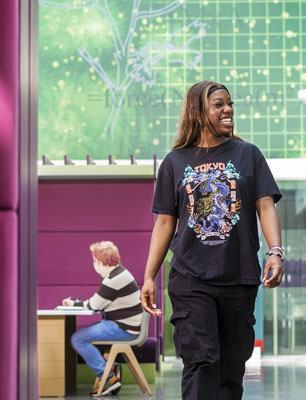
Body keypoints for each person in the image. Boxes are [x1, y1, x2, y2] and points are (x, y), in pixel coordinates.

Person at [140, 81, 284, 400]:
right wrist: (149, 276)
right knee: (201, 361)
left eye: (229, 104)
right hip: (191, 278)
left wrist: (276, 251)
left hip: (239, 276)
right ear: (198, 110)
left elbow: (265, 205)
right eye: (218, 104)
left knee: (232, 368)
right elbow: (165, 222)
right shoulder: (175, 162)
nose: (228, 109)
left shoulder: (248, 154)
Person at [62, 241, 143, 396]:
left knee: (78, 339)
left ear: (100, 261)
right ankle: (110, 369)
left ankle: (110, 378)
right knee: (86, 334)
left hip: (125, 329)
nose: (94, 264)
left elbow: (93, 305)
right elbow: (97, 303)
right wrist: (76, 303)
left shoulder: (113, 280)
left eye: (94, 260)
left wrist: (73, 304)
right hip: (124, 325)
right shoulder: (120, 273)